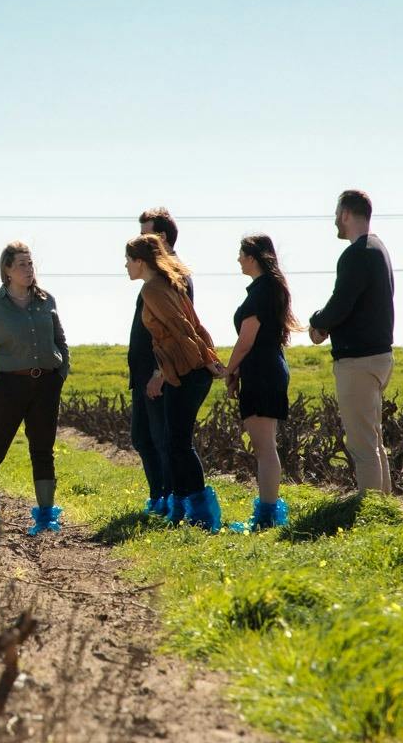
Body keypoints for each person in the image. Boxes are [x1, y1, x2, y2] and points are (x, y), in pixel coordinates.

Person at [0, 241, 70, 536]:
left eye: (31, 263)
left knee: (43, 449)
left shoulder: (47, 301)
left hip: (46, 385)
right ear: (7, 270)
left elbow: (61, 341)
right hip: (7, 386)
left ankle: (46, 517)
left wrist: (61, 373)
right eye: (21, 264)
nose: (28, 269)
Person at [125, 232, 226, 530]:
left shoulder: (153, 290)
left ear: (141, 262)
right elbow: (196, 325)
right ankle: (183, 507)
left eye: (128, 260)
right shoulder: (169, 284)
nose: (126, 266)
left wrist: (206, 362)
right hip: (183, 372)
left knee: (178, 443)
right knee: (173, 441)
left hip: (187, 371)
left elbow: (184, 329)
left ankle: (202, 513)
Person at [307, 189, 396, 493]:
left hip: (358, 361)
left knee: (361, 445)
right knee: (374, 439)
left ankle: (370, 514)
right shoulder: (378, 249)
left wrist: (317, 322)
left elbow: (341, 303)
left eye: (336, 213)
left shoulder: (356, 254)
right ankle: (384, 509)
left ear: (346, 213)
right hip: (380, 357)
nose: (335, 219)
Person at [224, 235, 300, 530]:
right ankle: (268, 512)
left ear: (252, 257)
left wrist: (228, 369)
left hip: (262, 371)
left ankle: (267, 515)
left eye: (241, 254)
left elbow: (246, 341)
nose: (238, 259)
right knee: (266, 445)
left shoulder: (261, 292)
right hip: (268, 369)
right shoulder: (267, 288)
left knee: (265, 447)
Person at [130, 208, 180, 516]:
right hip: (142, 374)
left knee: (162, 440)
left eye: (144, 234)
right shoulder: (155, 274)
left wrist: (160, 372)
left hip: (158, 375)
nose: (139, 241)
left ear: (161, 237)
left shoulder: (175, 276)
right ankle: (158, 497)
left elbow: (176, 331)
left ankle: (169, 499)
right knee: (143, 438)